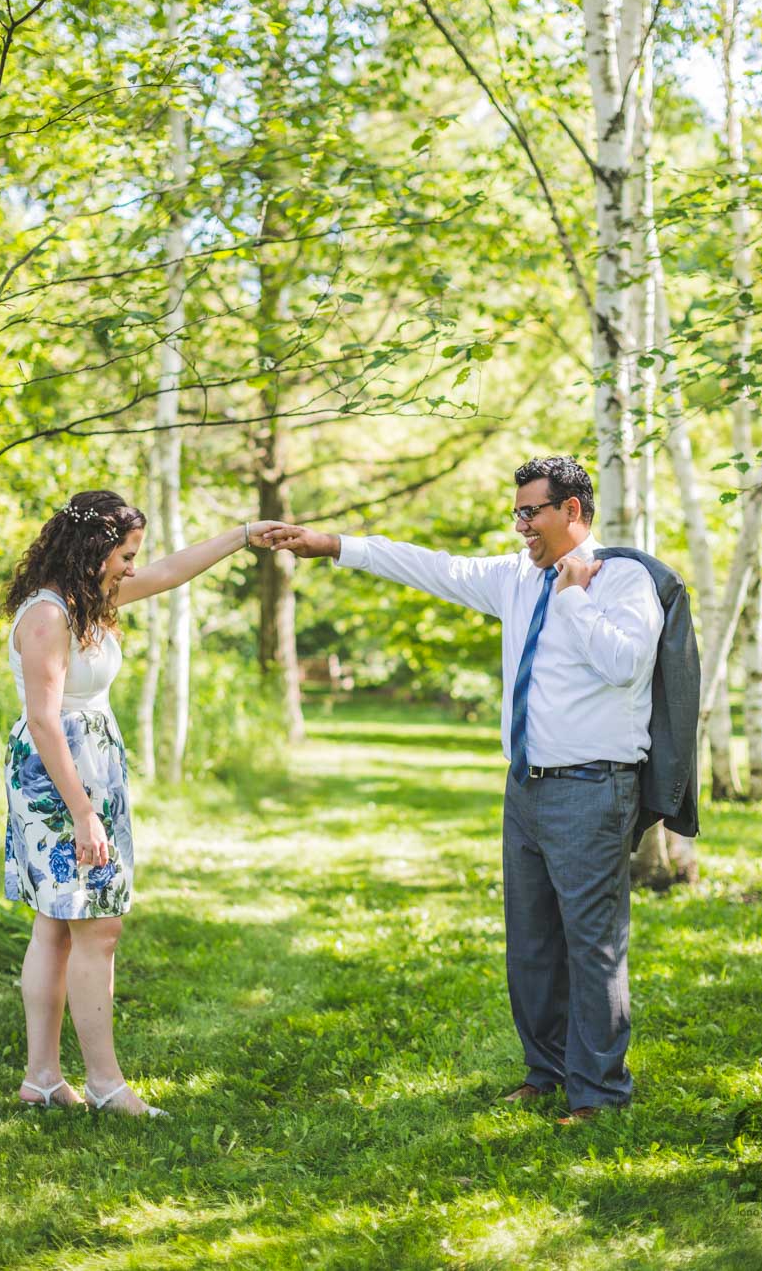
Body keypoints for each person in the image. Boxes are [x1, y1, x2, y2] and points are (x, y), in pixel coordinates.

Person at [257, 456, 666, 1122]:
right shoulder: (513, 577)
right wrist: (331, 544)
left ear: (573, 511)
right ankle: (547, 1071)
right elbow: (431, 566)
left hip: (592, 788)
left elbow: (623, 665)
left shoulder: (623, 580)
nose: (521, 525)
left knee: (592, 946)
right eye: (517, 512)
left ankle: (600, 1096)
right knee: (531, 943)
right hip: (526, 790)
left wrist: (573, 593)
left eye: (532, 511)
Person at [4, 491, 271, 1116]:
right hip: (59, 777)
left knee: (57, 924)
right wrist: (83, 812)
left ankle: (42, 1080)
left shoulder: (87, 599)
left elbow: (171, 572)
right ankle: (104, 1084)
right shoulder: (47, 616)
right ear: (94, 550)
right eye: (124, 555)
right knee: (98, 925)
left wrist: (243, 534)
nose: (131, 567)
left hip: (91, 765)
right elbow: (44, 722)